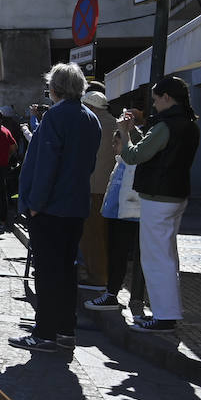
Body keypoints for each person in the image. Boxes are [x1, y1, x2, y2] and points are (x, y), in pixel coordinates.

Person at [10, 63, 101, 352]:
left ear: (54, 88)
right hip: (74, 204)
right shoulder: (90, 118)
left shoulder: (56, 117)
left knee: (48, 272)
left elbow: (46, 165)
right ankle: (65, 329)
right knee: (66, 270)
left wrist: (35, 204)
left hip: (50, 207)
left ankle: (46, 332)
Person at [118, 75, 200, 333]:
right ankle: (167, 314)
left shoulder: (165, 125)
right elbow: (156, 149)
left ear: (166, 97)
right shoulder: (188, 123)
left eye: (155, 100)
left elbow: (133, 155)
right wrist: (138, 133)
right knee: (167, 257)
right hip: (176, 195)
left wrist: (124, 132)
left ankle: (164, 317)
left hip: (158, 197)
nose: (153, 105)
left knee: (156, 259)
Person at [85, 106, 146, 317]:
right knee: (116, 254)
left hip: (126, 215)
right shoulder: (121, 162)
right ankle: (113, 292)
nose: (113, 145)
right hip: (117, 214)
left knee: (119, 255)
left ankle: (113, 294)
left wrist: (129, 131)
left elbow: (137, 146)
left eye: (116, 141)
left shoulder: (131, 162)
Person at [76, 84, 117, 289]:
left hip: (93, 187)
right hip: (111, 188)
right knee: (104, 235)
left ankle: (96, 277)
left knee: (92, 235)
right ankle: (102, 274)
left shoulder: (91, 123)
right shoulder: (116, 123)